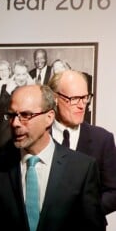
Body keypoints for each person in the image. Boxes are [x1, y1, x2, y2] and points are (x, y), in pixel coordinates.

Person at [0, 84, 109, 231]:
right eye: (11, 115)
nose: (15, 123)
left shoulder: (82, 168)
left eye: (25, 115)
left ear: (49, 117)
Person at [48, 70, 116, 215]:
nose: (82, 105)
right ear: (55, 98)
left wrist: (85, 213)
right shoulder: (39, 137)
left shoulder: (102, 139)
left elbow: (114, 191)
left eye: (85, 97)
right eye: (74, 99)